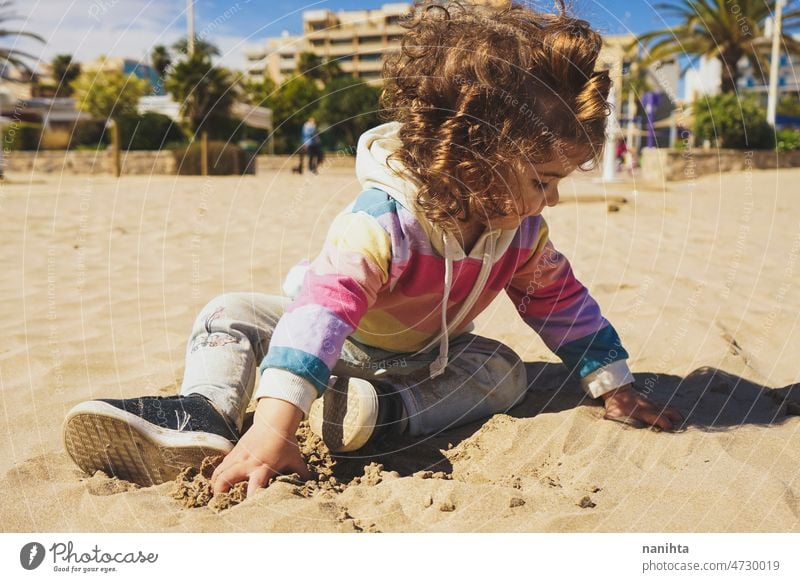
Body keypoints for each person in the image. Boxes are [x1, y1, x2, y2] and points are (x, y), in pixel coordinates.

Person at [63, 1, 682, 495]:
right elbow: (320, 313)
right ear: (475, 157)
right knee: (230, 312)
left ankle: (377, 414)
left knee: (504, 371)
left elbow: (560, 301)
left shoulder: (520, 237)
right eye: (541, 180)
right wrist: (276, 426)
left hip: (419, 363)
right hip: (329, 340)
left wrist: (611, 382)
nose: (551, 200)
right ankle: (206, 413)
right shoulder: (380, 223)